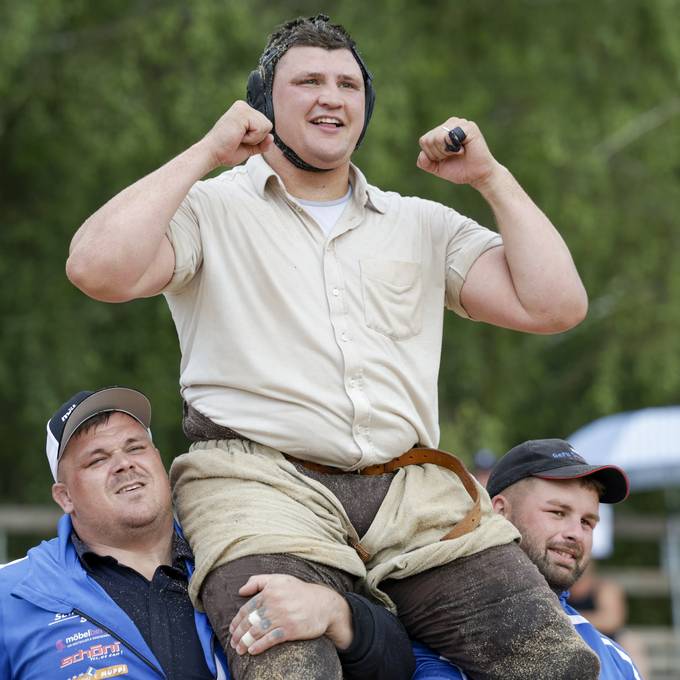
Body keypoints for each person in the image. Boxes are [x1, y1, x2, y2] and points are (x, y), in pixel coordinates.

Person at [65, 14, 595, 680]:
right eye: (308, 81)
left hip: (411, 495)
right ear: (265, 103)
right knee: (291, 664)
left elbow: (556, 305)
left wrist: (490, 177)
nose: (331, 97)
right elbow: (93, 269)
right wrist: (204, 151)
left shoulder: (419, 222)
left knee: (556, 665)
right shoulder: (210, 208)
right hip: (258, 486)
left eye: (347, 84)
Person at [0, 387, 416, 680]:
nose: (124, 464)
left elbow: (406, 661)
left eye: (135, 447)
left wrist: (335, 612)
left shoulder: (247, 544)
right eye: (97, 459)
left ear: (161, 461)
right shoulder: (11, 596)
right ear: (64, 496)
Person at [413, 439, 644, 679]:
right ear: (501, 511)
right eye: (558, 513)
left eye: (587, 522)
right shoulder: (435, 643)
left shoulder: (620, 663)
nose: (576, 533)